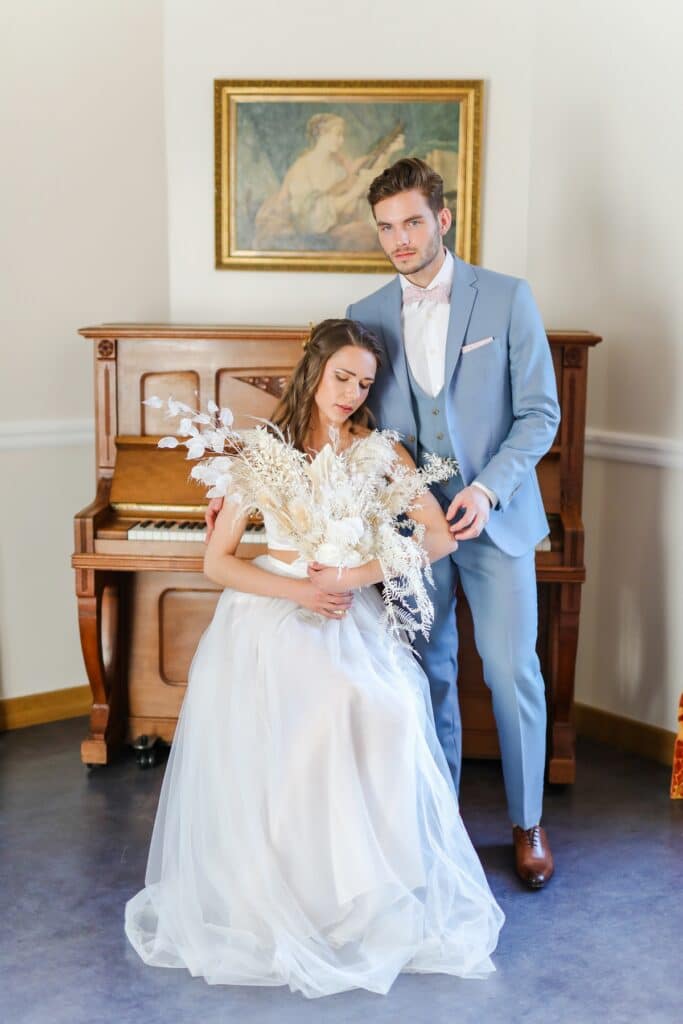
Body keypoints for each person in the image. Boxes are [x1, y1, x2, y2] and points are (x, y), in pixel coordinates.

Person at [125, 319, 504, 998]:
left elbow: (440, 538)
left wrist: (359, 576)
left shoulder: (380, 449)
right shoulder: (261, 453)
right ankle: (291, 895)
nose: (352, 394)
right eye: (342, 378)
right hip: (273, 609)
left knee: (388, 708)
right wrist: (301, 587)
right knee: (323, 707)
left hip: (347, 608)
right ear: (314, 369)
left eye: (363, 383)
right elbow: (217, 561)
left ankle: (365, 895)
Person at [346, 158, 561, 889]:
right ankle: (438, 831)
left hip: (495, 524)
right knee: (428, 675)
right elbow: (359, 423)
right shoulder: (367, 314)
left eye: (411, 222)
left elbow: (540, 414)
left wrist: (491, 491)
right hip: (411, 530)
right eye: (385, 227)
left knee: (510, 675)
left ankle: (527, 824)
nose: (399, 239)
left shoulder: (505, 299)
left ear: (442, 219)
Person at [253, 113, 404, 251]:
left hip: (337, 225)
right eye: (338, 135)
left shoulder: (338, 165)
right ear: (322, 134)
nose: (342, 140)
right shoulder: (302, 168)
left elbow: (359, 185)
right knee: (363, 236)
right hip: (313, 233)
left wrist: (388, 153)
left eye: (342, 135)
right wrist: (355, 192)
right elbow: (309, 218)